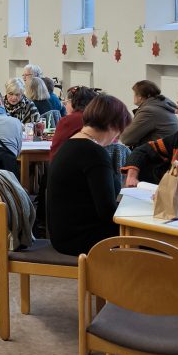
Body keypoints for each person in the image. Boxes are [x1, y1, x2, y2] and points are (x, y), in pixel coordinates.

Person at [47, 94, 132, 256]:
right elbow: (107, 211)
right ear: (112, 125)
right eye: (119, 131)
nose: (117, 138)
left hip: (64, 233)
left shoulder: (71, 143)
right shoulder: (94, 153)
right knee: (152, 243)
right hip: (81, 239)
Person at [123, 84, 178, 186]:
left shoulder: (149, 111)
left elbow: (126, 139)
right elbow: (142, 150)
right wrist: (132, 175)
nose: (176, 111)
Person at [118, 80, 178, 149]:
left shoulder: (149, 111)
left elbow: (126, 139)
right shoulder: (160, 107)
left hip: (156, 157)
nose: (133, 96)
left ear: (140, 96)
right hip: (165, 154)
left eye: (135, 94)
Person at [50, 86, 97, 158]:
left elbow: (55, 154)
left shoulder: (68, 121)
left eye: (66, 103)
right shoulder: (99, 119)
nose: (65, 107)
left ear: (72, 102)